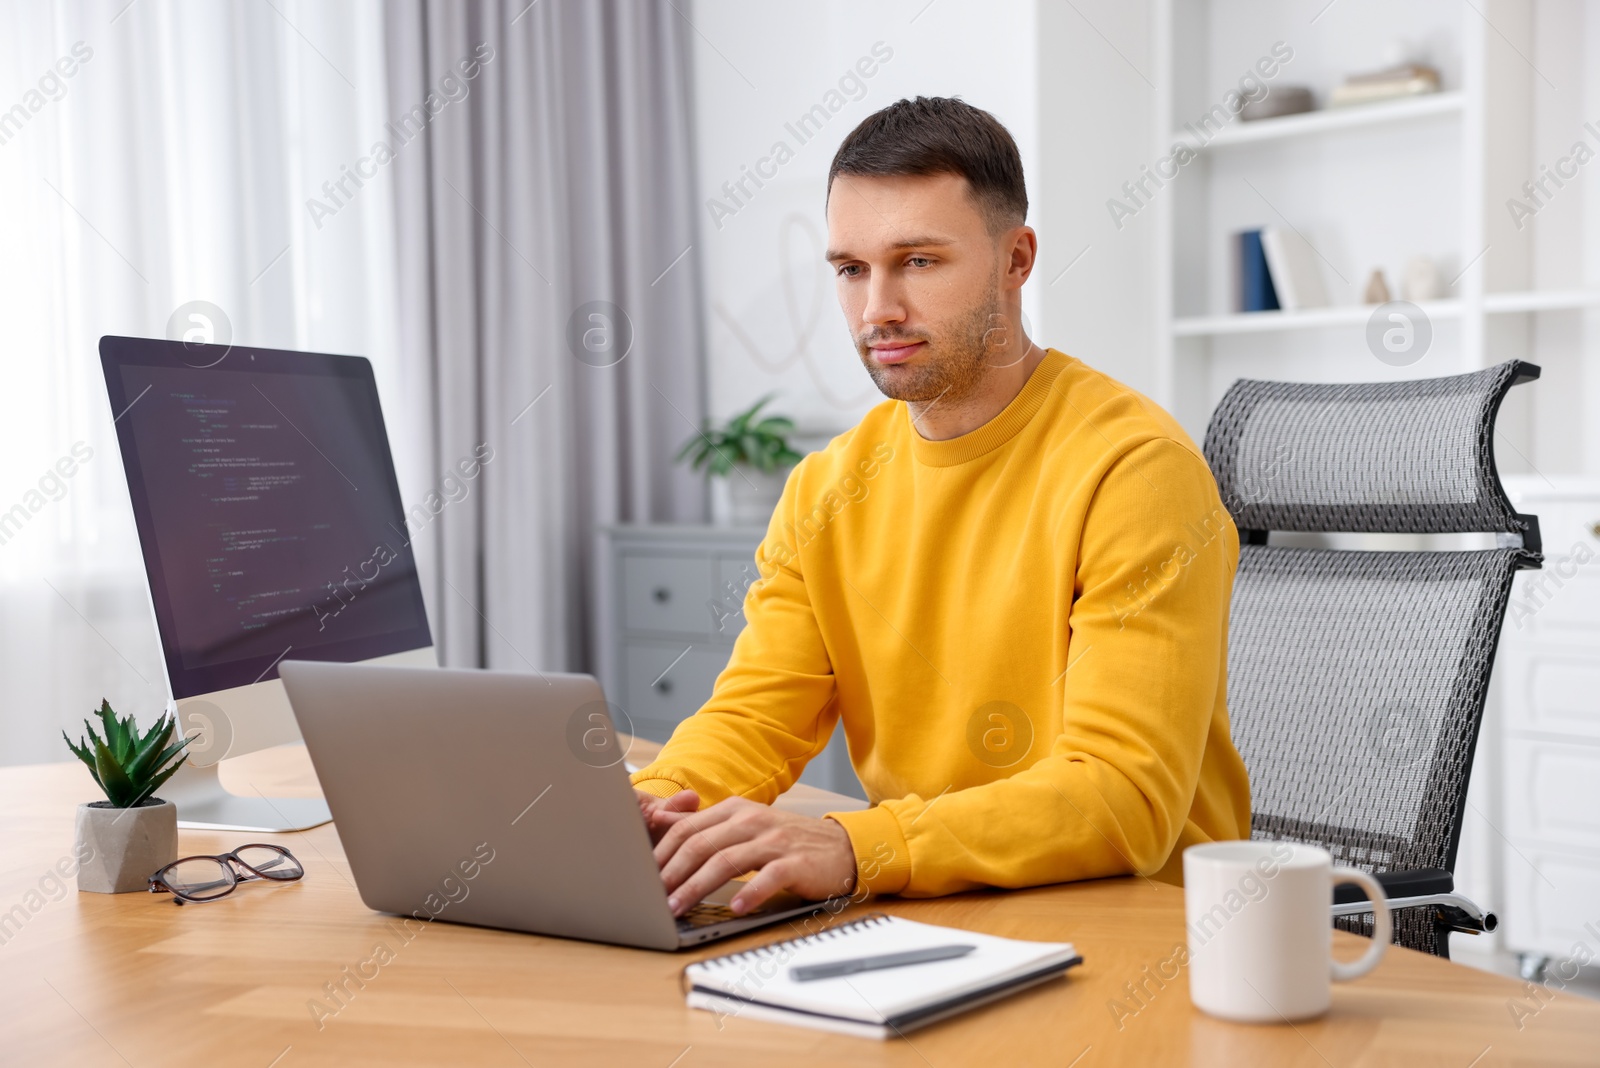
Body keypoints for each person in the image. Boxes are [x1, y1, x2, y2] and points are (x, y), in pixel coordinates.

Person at [633, 96, 1250, 918]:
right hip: (932, 911)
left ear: (1015, 259)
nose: (877, 309)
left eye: (917, 261)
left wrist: (858, 846)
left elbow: (1122, 795)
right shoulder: (826, 488)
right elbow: (756, 717)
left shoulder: (1133, 471)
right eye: (850, 269)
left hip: (1133, 931)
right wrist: (655, 806)